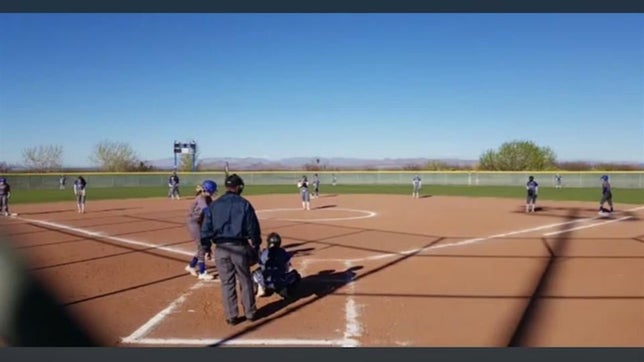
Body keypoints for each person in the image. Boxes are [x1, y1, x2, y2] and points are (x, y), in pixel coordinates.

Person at [201, 174, 262, 325]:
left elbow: (206, 228)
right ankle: (250, 312)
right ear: (239, 187)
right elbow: (253, 227)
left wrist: (206, 247)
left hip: (220, 248)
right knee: (245, 280)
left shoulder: (214, 205)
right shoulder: (244, 204)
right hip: (239, 247)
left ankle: (231, 316)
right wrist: (256, 244)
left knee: (227, 282)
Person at [184, 180, 217, 281]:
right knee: (201, 245)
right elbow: (207, 211)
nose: (213, 193)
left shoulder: (208, 198)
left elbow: (213, 209)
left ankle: (191, 266)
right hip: (193, 223)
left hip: (200, 223)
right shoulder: (201, 198)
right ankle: (202, 272)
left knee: (203, 245)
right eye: (212, 191)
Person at [252, 232, 301, 299]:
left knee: (255, 273)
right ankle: (286, 291)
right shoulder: (282, 252)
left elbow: (261, 264)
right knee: (295, 274)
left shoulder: (265, 252)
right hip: (280, 282)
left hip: (267, 282)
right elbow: (287, 267)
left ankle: (260, 288)